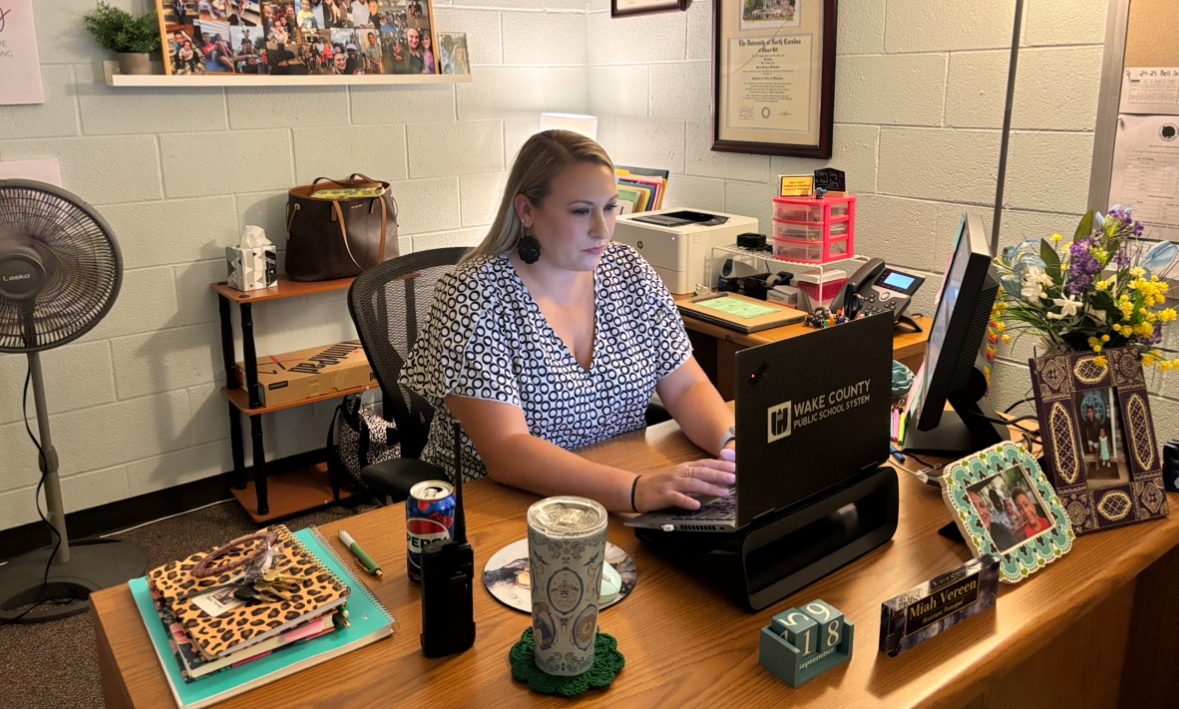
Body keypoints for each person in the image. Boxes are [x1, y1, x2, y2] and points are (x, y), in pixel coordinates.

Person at [400, 130, 737, 514]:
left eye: (610, 207)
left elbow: (687, 384)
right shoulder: (473, 293)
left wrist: (730, 446)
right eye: (581, 211)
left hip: (613, 488)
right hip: (493, 507)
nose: (602, 228)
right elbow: (506, 450)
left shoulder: (630, 272)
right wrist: (633, 490)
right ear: (526, 210)